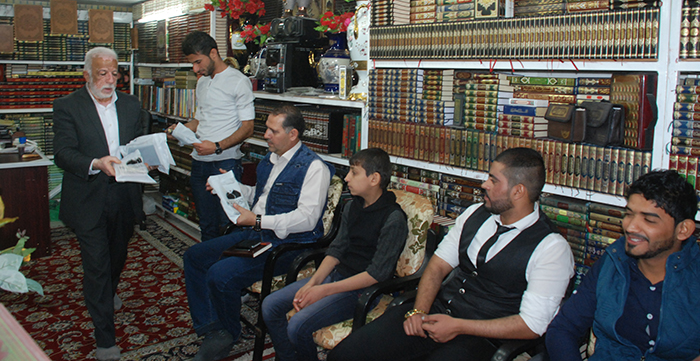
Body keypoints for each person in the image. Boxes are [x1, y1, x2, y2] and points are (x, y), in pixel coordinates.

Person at [329, 147, 574, 361]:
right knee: (345, 354)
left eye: (493, 180)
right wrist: (419, 311)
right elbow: (437, 266)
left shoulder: (551, 248)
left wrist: (458, 326)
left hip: (481, 337)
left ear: (518, 191)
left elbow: (531, 325)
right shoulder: (475, 214)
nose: (484, 185)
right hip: (435, 313)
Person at [184, 105, 333, 361]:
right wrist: (230, 187)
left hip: (287, 245)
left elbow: (307, 219)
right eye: (267, 129)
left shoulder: (314, 168)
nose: (266, 135)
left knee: (220, 275)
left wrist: (259, 220)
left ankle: (227, 333)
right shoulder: (271, 158)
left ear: (293, 134)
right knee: (194, 256)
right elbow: (260, 197)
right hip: (257, 232)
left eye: (273, 131)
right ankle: (212, 325)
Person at [262, 148, 408, 361]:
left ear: (374, 179)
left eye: (354, 172)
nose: (346, 178)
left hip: (362, 291)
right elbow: (337, 249)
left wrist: (323, 290)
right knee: (270, 306)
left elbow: (376, 274)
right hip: (336, 277)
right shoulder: (352, 207)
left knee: (297, 326)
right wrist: (314, 282)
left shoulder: (394, 219)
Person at [546, 169, 700, 361]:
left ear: (683, 230)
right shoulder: (613, 261)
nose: (630, 227)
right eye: (629, 214)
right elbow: (562, 329)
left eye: (649, 220)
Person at [53, 47, 146, 361]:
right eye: (102, 73)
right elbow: (63, 153)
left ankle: (109, 289)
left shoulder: (131, 104)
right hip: (87, 196)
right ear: (87, 75)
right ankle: (105, 338)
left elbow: (138, 143)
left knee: (117, 256)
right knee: (96, 266)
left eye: (114, 73)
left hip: (124, 195)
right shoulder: (67, 106)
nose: (109, 80)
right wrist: (96, 163)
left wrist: (147, 159)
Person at [179, 31, 255, 241]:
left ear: (213, 53)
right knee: (206, 223)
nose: (196, 69)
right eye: (192, 64)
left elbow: (248, 128)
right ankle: (209, 262)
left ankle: (229, 262)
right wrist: (180, 130)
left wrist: (217, 146)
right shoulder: (202, 82)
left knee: (230, 223)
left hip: (225, 163)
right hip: (199, 163)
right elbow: (199, 120)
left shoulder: (238, 81)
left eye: (198, 62)